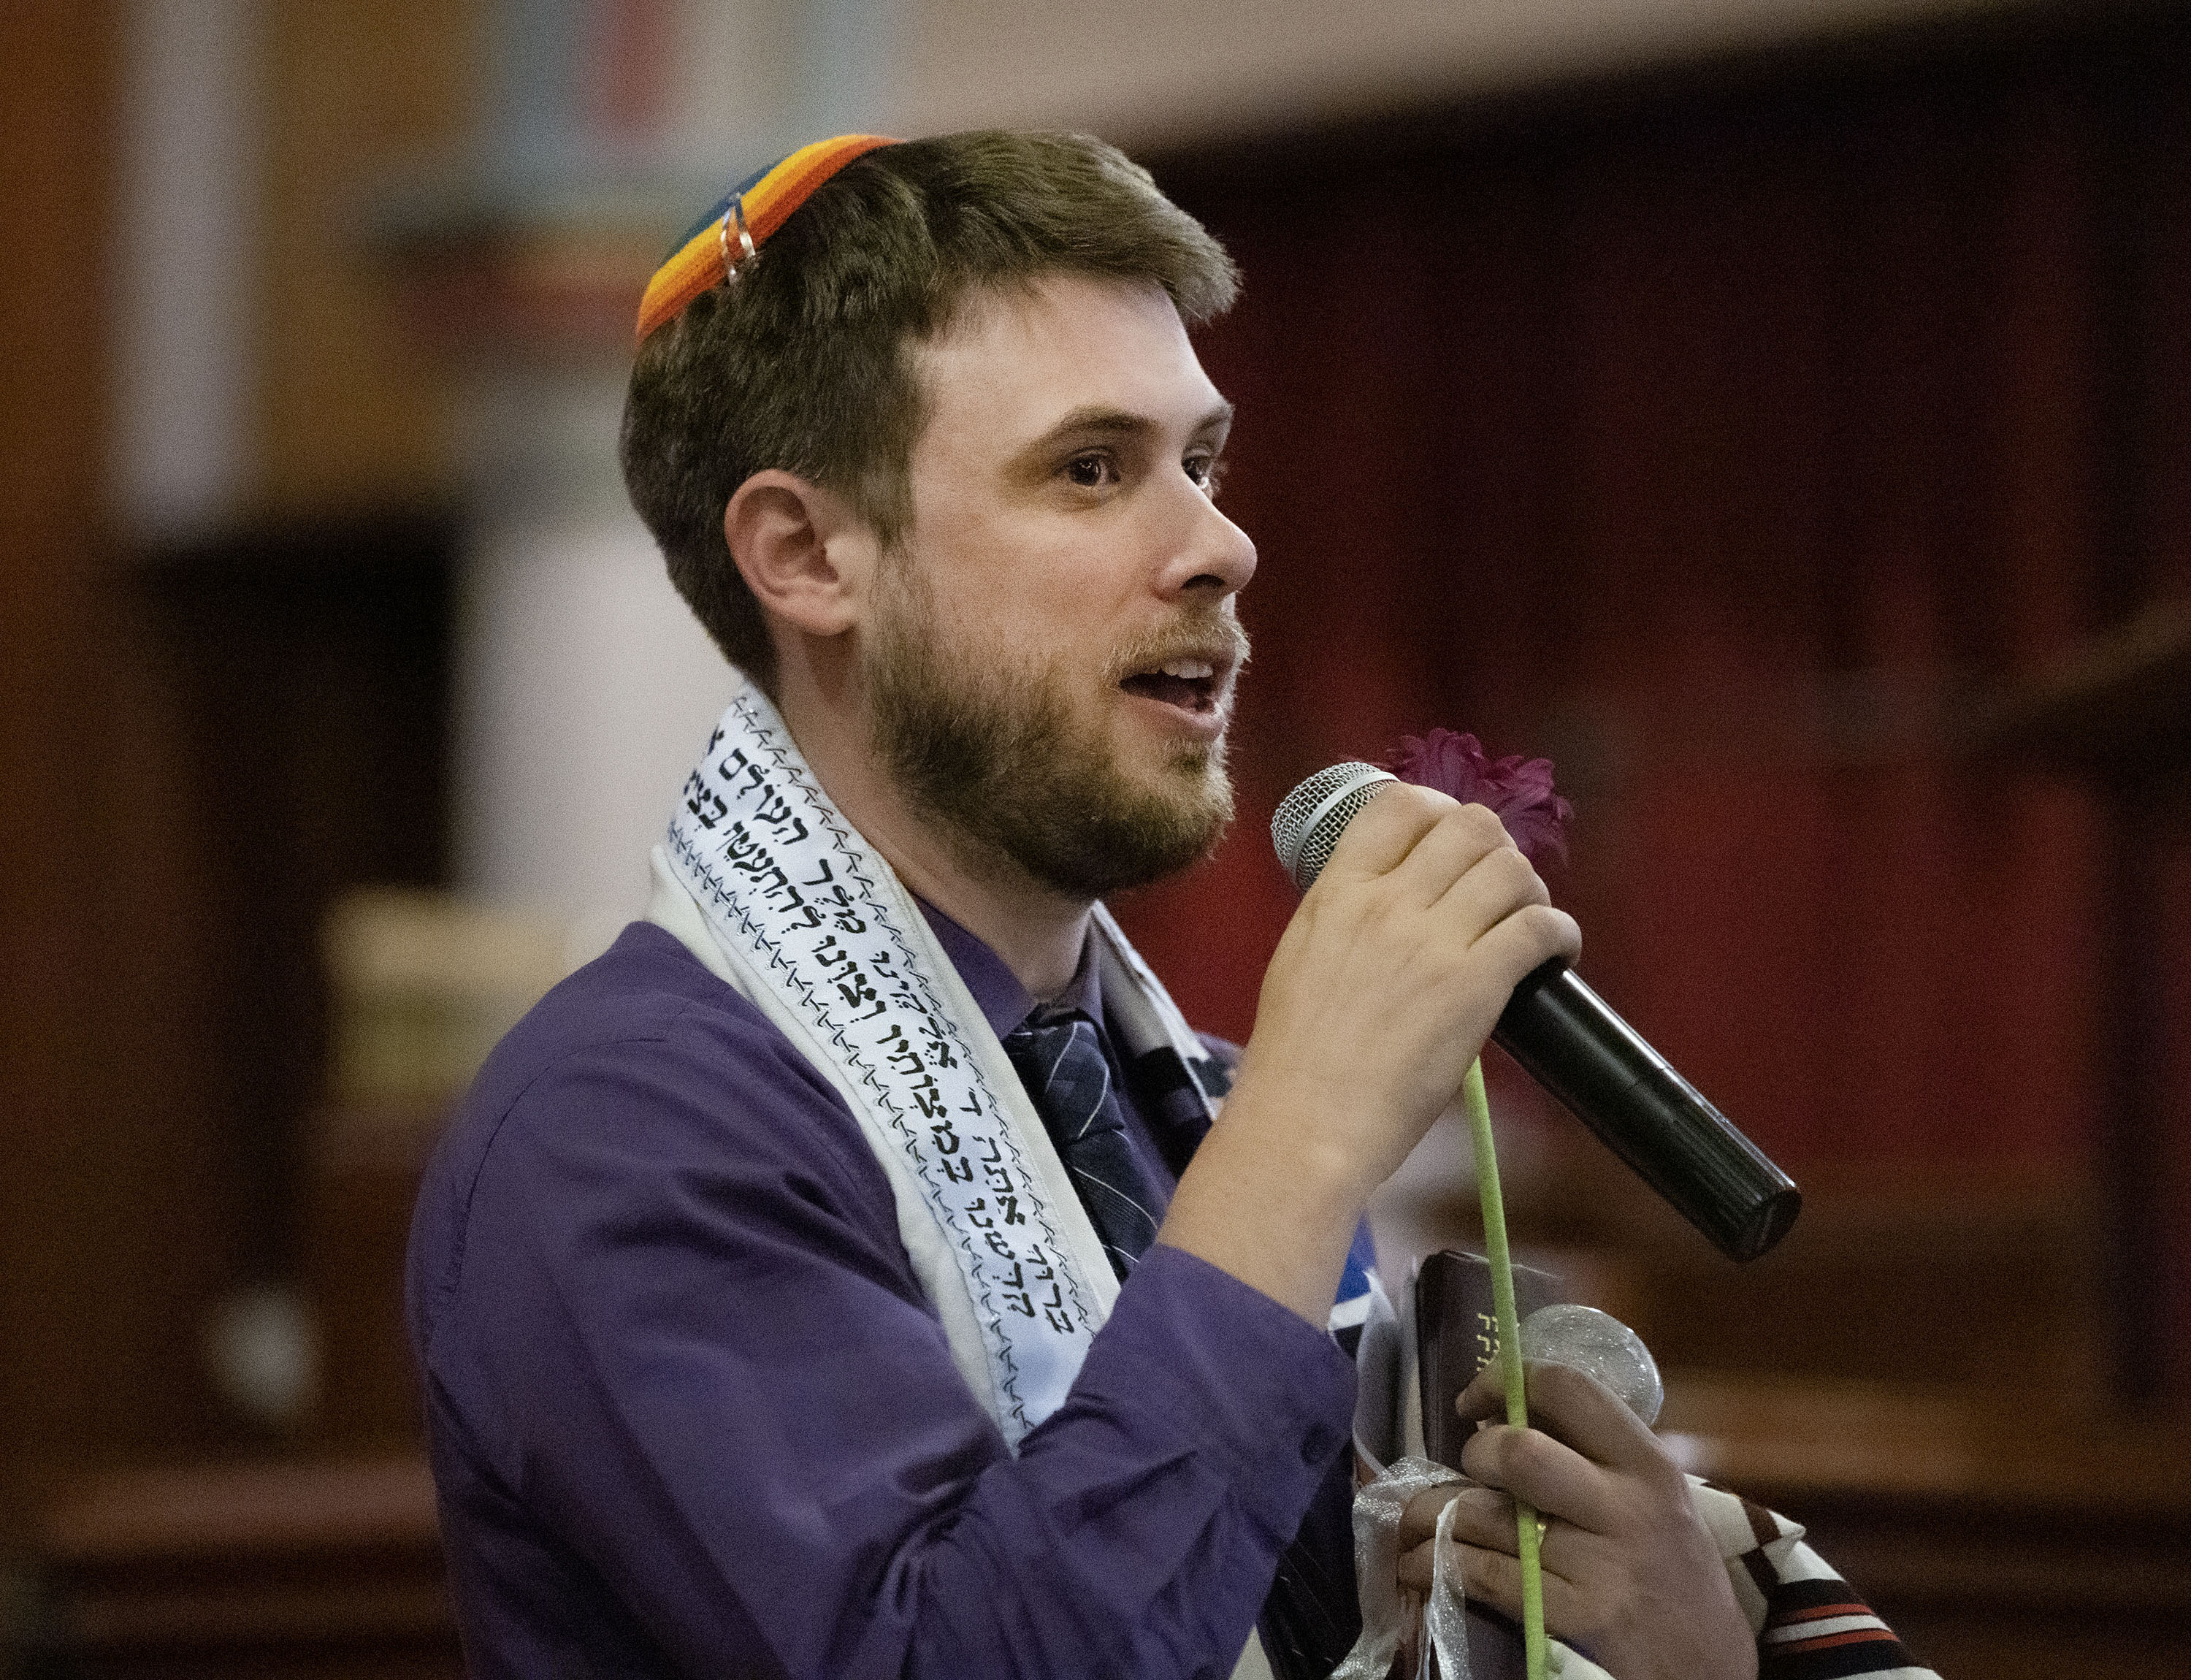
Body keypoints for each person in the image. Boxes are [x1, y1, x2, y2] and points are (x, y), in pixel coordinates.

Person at [407, 130, 1932, 1680]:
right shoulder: (629, 1128)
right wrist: (1309, 1131)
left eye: (1199, 462)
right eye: (1091, 469)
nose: (1220, 543)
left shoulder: (1171, 1096)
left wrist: (1662, 1648)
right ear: (808, 555)